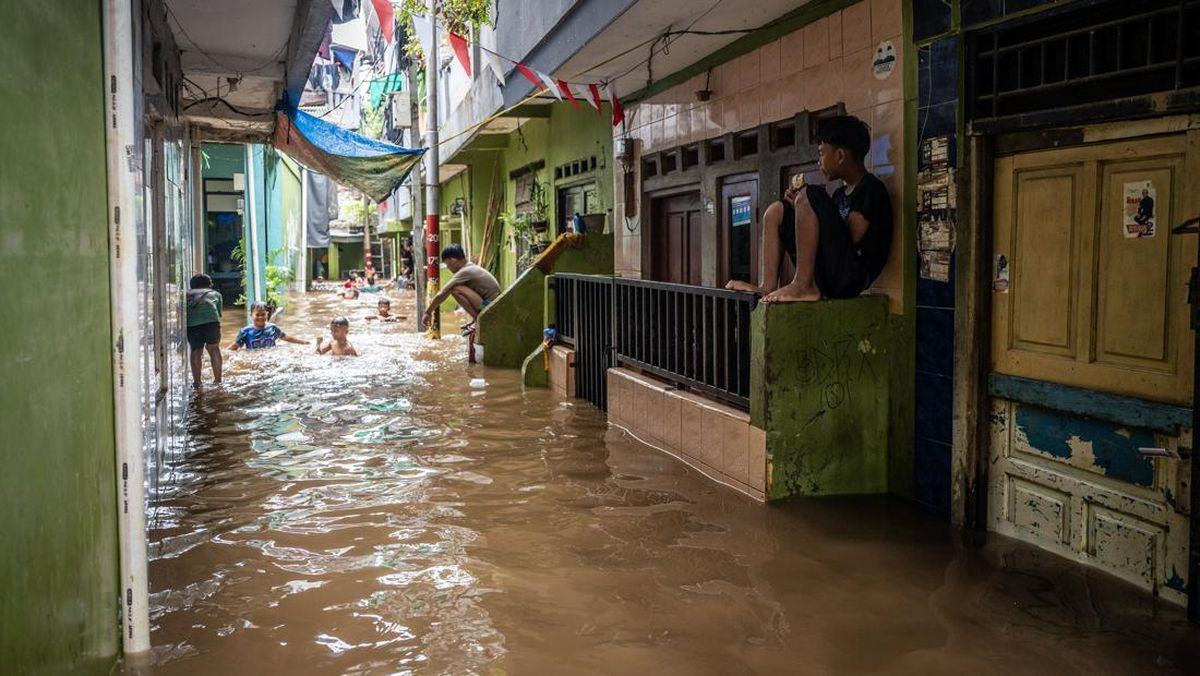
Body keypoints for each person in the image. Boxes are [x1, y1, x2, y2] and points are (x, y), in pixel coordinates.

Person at [726, 115, 893, 302]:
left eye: (822, 153)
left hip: (850, 278)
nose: (818, 161)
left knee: (810, 194)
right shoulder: (839, 194)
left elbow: (850, 239)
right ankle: (767, 286)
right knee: (777, 211)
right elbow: (829, 235)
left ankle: (803, 284)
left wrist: (806, 203)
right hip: (828, 272)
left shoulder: (870, 189)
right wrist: (799, 208)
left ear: (840, 156)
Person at [422, 244, 501, 329]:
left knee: (454, 289)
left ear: (452, 260)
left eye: (447, 263)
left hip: (488, 307)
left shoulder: (465, 271)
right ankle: (476, 320)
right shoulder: (470, 267)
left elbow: (442, 293)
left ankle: (477, 320)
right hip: (493, 306)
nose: (448, 267)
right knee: (456, 287)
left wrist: (428, 312)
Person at [186, 274, 223, 387]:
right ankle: (217, 381)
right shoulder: (215, 294)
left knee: (196, 351)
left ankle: (197, 382)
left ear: (192, 285)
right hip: (212, 323)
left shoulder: (186, 294)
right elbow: (219, 313)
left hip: (192, 325)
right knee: (213, 348)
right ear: (210, 284)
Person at [228, 302, 309, 350]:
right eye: (257, 315)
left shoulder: (272, 328)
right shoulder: (245, 331)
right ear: (251, 315)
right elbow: (235, 346)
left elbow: (286, 337)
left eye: (263, 314)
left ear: (267, 315)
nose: (260, 317)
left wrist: (303, 342)